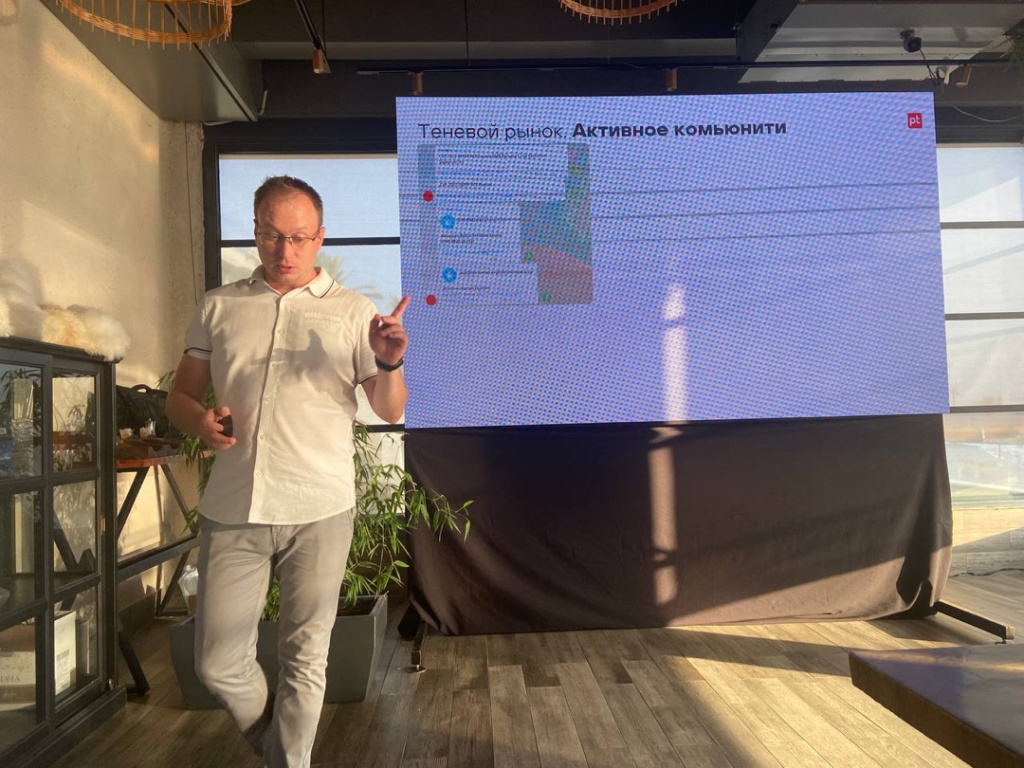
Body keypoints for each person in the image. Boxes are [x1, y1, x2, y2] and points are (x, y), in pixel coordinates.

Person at [166, 175, 409, 768]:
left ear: (320, 237)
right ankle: (282, 754)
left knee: (306, 658)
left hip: (320, 505)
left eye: (299, 237)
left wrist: (389, 362)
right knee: (216, 662)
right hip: (234, 504)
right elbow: (180, 397)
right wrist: (200, 422)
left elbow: (389, 409)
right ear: (255, 231)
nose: (285, 250)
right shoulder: (219, 305)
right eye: (273, 235)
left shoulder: (353, 311)